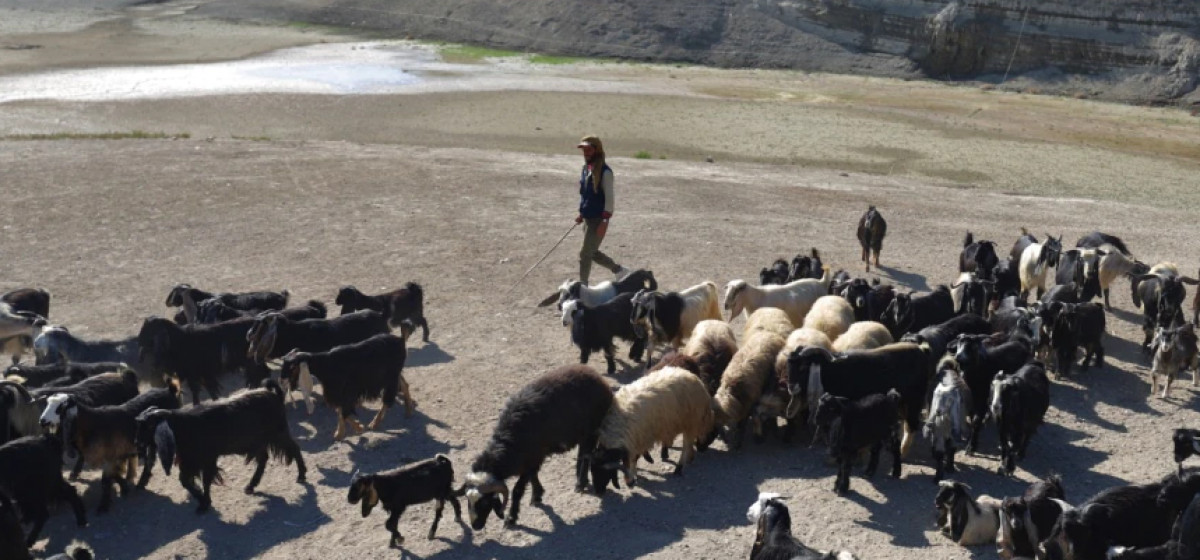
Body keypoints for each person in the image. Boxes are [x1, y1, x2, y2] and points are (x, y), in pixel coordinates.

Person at [575, 135, 627, 284]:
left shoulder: (605, 172)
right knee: (592, 252)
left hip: (598, 220)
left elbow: (609, 200)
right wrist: (581, 213)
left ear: (597, 150)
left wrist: (604, 222)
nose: (586, 153)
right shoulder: (585, 169)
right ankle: (618, 270)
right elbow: (585, 194)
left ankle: (582, 286)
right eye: (584, 150)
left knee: (585, 254)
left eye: (589, 149)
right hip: (587, 219)